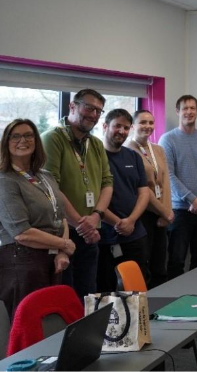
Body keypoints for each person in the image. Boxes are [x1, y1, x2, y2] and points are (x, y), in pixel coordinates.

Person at [0, 119, 74, 320]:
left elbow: (61, 215)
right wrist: (64, 243)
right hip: (21, 262)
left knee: (51, 324)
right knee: (30, 330)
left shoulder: (45, 176)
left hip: (51, 259)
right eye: (16, 136)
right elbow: (22, 233)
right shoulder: (3, 180)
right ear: (6, 142)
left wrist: (61, 251)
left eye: (29, 135)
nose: (23, 140)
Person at [42, 89, 113, 300]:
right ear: (72, 106)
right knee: (66, 298)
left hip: (91, 231)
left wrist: (97, 215)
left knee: (88, 295)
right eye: (89, 107)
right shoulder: (52, 139)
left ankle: (89, 334)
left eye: (99, 111)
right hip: (64, 234)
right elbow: (51, 188)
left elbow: (107, 183)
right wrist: (81, 225)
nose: (94, 114)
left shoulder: (96, 144)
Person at [159, 95, 197, 280]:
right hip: (180, 211)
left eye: (193, 108)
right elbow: (168, 175)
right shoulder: (167, 139)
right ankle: (176, 305)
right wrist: (192, 199)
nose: (189, 112)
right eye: (185, 108)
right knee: (176, 261)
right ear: (178, 111)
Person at [95, 109, 151, 292]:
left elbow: (144, 192)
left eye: (126, 127)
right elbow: (94, 198)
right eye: (117, 126)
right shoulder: (94, 158)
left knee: (138, 291)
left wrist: (131, 220)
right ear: (105, 126)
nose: (121, 131)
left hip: (135, 235)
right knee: (106, 291)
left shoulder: (133, 156)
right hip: (104, 238)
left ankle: (137, 322)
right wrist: (118, 223)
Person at [124, 109, 174, 288]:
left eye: (151, 123)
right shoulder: (128, 150)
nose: (147, 126)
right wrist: (163, 211)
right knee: (143, 262)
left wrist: (166, 211)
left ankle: (162, 305)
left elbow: (166, 182)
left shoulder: (158, 149)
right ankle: (146, 308)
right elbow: (142, 188)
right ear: (133, 126)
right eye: (143, 122)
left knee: (160, 262)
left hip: (161, 214)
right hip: (143, 213)